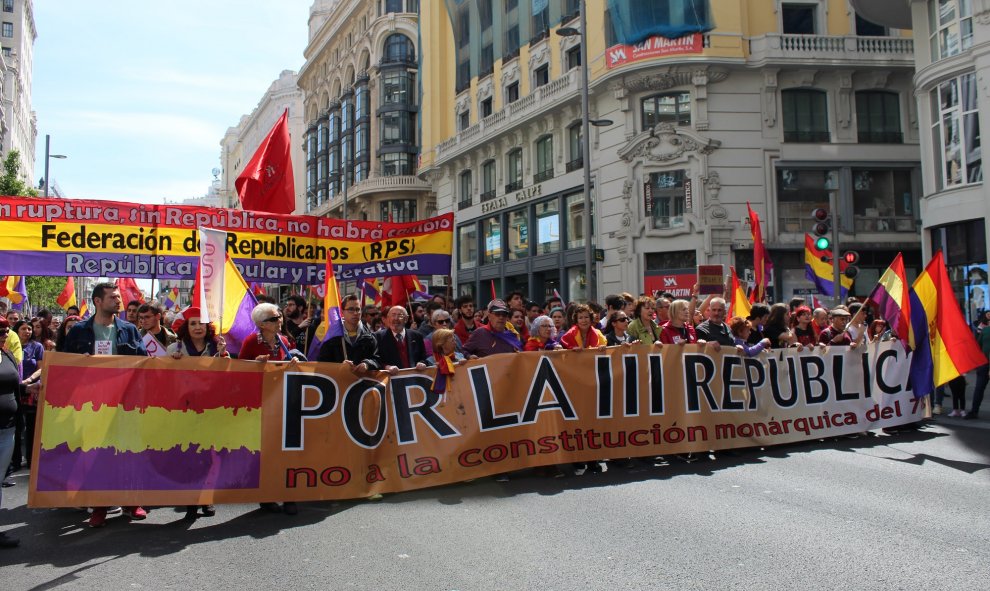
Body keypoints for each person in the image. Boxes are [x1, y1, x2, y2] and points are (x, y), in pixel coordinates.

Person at [63, 282, 149, 527]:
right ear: (98, 301)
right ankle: (99, 506)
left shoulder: (130, 330)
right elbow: (65, 366)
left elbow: (144, 363)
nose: (118, 300)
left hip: (125, 404)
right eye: (112, 297)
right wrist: (81, 363)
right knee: (97, 455)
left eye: (118, 296)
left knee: (128, 452)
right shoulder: (79, 331)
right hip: (92, 405)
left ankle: (131, 503)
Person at [238, 302, 298, 514]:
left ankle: (288, 495)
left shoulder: (284, 341)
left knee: (286, 449)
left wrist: (295, 362)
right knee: (267, 451)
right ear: (262, 324)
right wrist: (255, 363)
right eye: (274, 319)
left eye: (279, 317)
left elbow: (291, 365)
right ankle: (268, 495)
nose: (279, 320)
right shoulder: (251, 342)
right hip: (261, 403)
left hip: (283, 400)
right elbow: (240, 370)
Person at [0, 318, 24, 547]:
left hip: (7, 428)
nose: (3, 335)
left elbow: (14, 385)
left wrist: (31, 387)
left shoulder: (7, 355)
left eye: (6, 331)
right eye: (0, 332)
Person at [317, 294, 382, 374]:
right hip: (339, 383)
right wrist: (340, 366)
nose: (355, 313)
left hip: (363, 383)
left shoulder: (369, 336)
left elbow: (378, 360)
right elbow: (322, 363)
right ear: (342, 312)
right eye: (351, 309)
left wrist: (367, 364)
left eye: (358, 309)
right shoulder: (332, 336)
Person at [14, 320, 43, 472]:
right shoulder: (10, 346)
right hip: (14, 390)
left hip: (32, 390)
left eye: (29, 329)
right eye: (23, 329)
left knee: (31, 427)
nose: (27, 331)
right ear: (16, 331)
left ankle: (32, 460)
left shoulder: (37, 347)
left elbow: (41, 368)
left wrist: (29, 380)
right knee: (16, 427)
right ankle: (15, 461)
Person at [376, 306, 428, 372]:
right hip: (390, 379)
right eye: (393, 315)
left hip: (413, 379)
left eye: (400, 315)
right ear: (388, 318)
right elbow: (375, 361)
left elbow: (423, 358)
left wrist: (422, 363)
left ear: (406, 319)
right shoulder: (378, 337)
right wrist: (386, 367)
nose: (396, 318)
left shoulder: (417, 336)